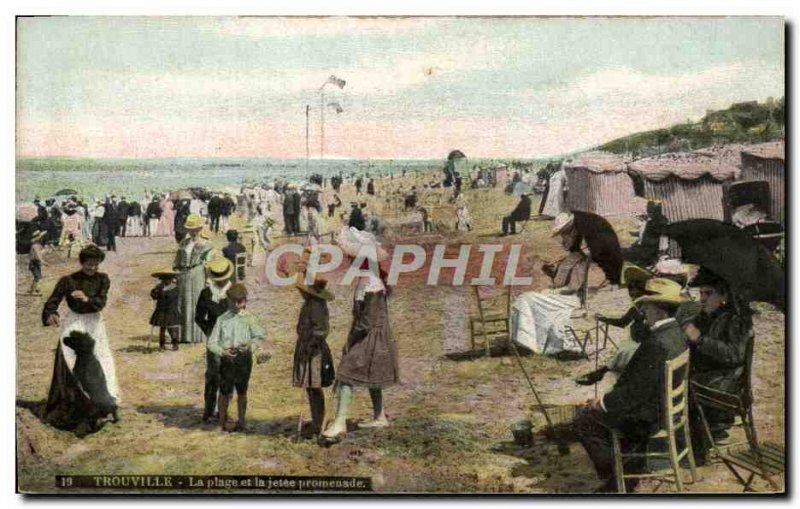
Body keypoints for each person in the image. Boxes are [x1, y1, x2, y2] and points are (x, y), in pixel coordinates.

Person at [573, 278, 689, 492]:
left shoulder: (656, 343)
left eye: (646, 305)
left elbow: (634, 393)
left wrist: (601, 403)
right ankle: (631, 465)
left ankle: (618, 480)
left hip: (649, 417)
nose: (642, 310)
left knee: (584, 420)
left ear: (659, 310)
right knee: (605, 412)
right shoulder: (676, 334)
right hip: (665, 409)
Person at [322, 227, 399, 440]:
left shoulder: (367, 281)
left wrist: (350, 341)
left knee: (346, 373)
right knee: (372, 373)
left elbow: (364, 322)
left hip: (369, 335)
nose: (348, 260)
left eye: (350, 257)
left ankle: (339, 423)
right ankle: (379, 416)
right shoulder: (374, 276)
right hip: (379, 335)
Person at [41, 245, 120, 434]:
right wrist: (50, 313)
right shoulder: (68, 280)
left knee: (98, 362)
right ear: (82, 262)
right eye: (88, 264)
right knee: (67, 360)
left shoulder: (103, 279)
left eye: (95, 265)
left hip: (93, 323)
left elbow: (100, 303)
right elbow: (53, 300)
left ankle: (101, 405)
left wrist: (86, 298)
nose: (92, 268)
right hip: (74, 322)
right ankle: (69, 404)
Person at [684, 267, 750, 459]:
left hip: (727, 384)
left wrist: (700, 339)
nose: (703, 298)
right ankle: (698, 436)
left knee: (682, 388)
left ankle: (699, 450)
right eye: (701, 293)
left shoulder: (736, 319)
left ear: (724, 295)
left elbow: (734, 354)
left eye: (708, 293)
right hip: (713, 377)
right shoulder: (708, 314)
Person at [511, 213, 588, 354]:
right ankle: (528, 341)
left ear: (575, 236)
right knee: (525, 298)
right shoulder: (567, 259)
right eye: (562, 236)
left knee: (526, 298)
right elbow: (559, 281)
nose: (563, 240)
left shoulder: (580, 260)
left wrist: (550, 292)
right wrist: (550, 272)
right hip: (560, 297)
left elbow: (572, 288)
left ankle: (529, 343)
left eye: (566, 235)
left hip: (570, 300)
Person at [206, 283, 267, 432]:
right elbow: (211, 342)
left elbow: (259, 337)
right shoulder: (222, 319)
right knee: (225, 392)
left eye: (239, 301)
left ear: (245, 301)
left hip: (244, 359)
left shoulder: (251, 319)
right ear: (227, 301)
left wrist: (250, 347)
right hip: (227, 359)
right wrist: (222, 352)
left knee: (242, 391)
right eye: (232, 301)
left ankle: (242, 421)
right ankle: (221, 422)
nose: (236, 305)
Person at [293, 274, 335, 439]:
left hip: (314, 351)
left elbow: (321, 330)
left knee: (314, 386)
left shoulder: (317, 306)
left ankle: (319, 423)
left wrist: (311, 342)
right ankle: (316, 420)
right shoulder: (309, 304)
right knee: (310, 386)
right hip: (306, 347)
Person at [196, 257, 234, 422]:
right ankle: (209, 410)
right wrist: (209, 332)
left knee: (228, 374)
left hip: (232, 339)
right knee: (213, 375)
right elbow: (198, 317)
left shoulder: (235, 292)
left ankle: (223, 410)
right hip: (213, 341)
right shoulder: (206, 293)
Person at [173, 214, 215, 344]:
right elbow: (177, 260)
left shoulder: (206, 243)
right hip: (184, 275)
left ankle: (198, 335)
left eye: (195, 229)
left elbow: (209, 263)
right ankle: (185, 335)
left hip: (198, 273)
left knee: (197, 303)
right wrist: (176, 273)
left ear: (200, 228)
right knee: (183, 304)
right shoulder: (184, 243)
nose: (193, 232)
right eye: (191, 229)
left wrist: (208, 280)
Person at [149, 269, 181, 351]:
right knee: (162, 328)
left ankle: (175, 343)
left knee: (173, 328)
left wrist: (162, 292)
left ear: (171, 280)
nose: (165, 282)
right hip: (161, 310)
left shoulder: (175, 288)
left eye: (167, 280)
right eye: (164, 280)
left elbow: (171, 297)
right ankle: (162, 345)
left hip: (171, 310)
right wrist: (154, 292)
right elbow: (154, 296)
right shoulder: (159, 287)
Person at [28, 230, 47, 295]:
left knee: (38, 276)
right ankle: (33, 291)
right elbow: (38, 255)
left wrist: (46, 250)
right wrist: (43, 262)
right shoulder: (35, 245)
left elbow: (41, 253)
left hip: (36, 262)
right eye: (41, 237)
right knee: (37, 277)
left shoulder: (38, 245)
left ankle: (32, 289)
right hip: (34, 263)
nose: (42, 239)